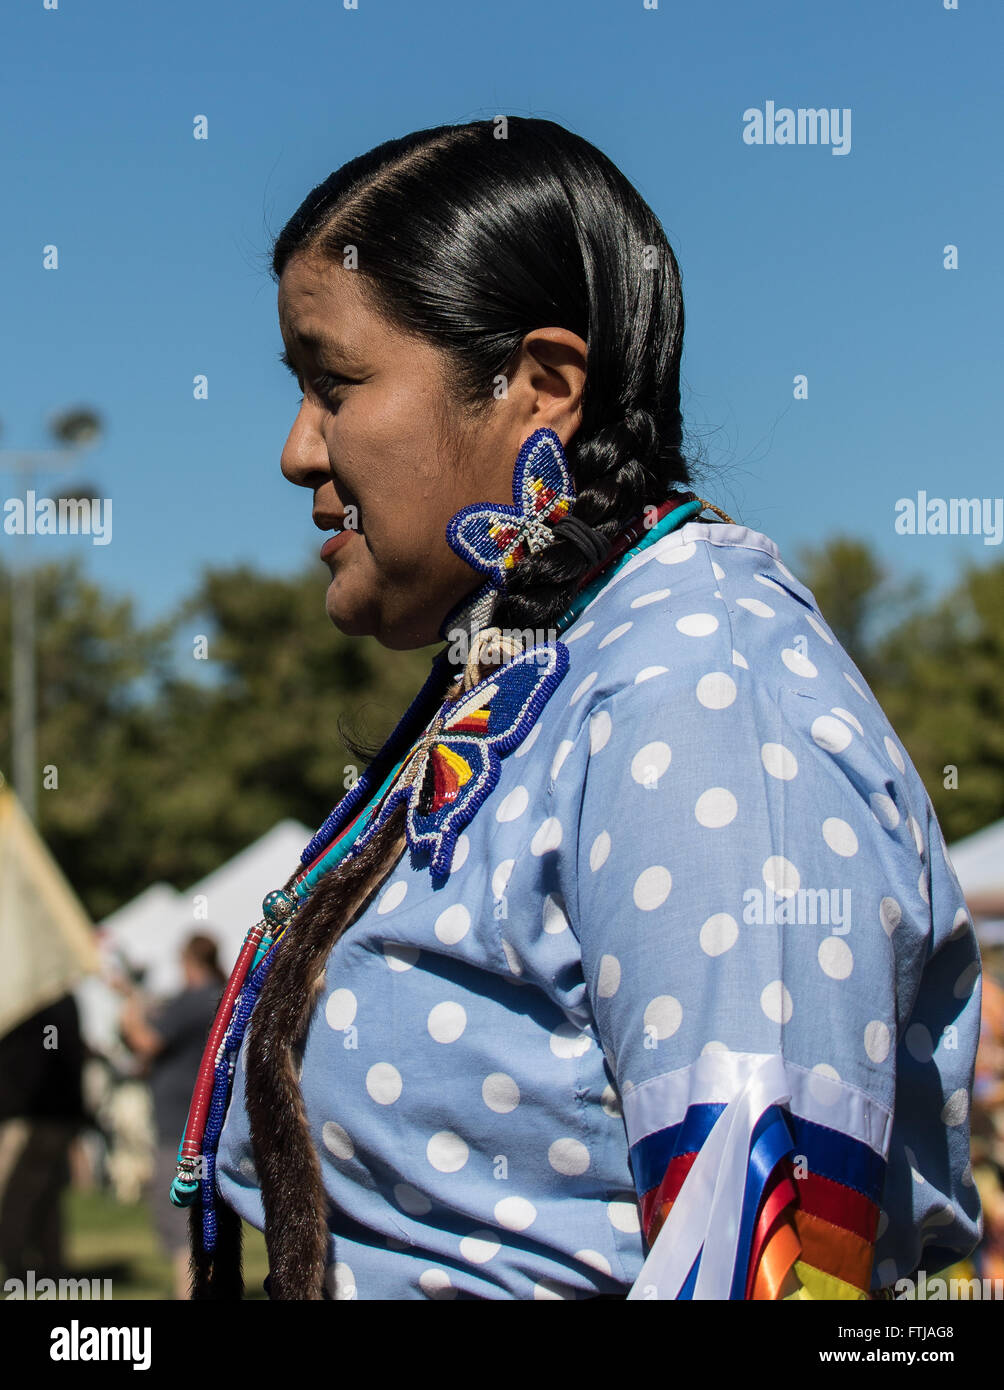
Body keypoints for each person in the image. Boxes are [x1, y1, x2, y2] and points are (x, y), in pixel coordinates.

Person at [182, 117, 980, 1300]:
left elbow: (773, 1279)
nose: (300, 451)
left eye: (333, 383)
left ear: (537, 386)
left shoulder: (699, 693)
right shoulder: (547, 668)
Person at [120, 934, 224, 1298]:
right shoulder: (222, 993)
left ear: (187, 961)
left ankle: (188, 1292)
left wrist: (128, 1001)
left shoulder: (194, 999)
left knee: (180, 1216)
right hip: (209, 1124)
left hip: (182, 1127)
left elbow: (145, 1041)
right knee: (206, 1215)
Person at [0, 993, 87, 1283]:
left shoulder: (28, 1004)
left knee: (15, 1196)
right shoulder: (64, 1002)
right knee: (47, 1196)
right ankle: (51, 1267)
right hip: (57, 1115)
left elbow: (41, 1059)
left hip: (29, 1116)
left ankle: (16, 1268)